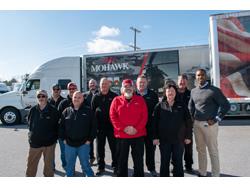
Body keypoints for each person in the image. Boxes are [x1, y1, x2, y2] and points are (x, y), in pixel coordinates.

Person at [189, 69, 230, 177]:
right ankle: (202, 172)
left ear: (206, 76)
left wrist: (216, 119)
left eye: (202, 75)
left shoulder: (214, 90)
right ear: (196, 77)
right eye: (198, 75)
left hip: (210, 125)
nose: (200, 77)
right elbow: (191, 105)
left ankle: (215, 174)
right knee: (200, 150)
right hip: (197, 124)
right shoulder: (193, 91)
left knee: (213, 150)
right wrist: (192, 117)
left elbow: (226, 105)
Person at [110, 79, 148, 177]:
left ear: (134, 88)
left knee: (138, 160)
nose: (128, 88)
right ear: (122, 89)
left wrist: (136, 129)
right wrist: (123, 128)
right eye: (125, 87)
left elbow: (144, 116)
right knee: (121, 160)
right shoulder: (116, 100)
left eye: (130, 86)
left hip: (138, 134)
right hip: (122, 135)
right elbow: (112, 116)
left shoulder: (140, 100)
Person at [153, 84, 192, 177]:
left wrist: (188, 136)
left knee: (178, 162)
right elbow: (154, 123)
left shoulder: (182, 105)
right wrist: (155, 137)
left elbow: (188, 122)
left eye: (172, 91)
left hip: (179, 140)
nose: (170, 93)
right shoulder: (159, 106)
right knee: (164, 162)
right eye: (168, 91)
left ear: (175, 93)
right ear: (165, 93)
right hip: (164, 140)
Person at [59, 91, 96, 177]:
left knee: (86, 165)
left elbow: (94, 127)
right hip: (69, 144)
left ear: (83, 99)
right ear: (72, 98)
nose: (76, 99)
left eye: (79, 97)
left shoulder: (88, 111)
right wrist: (63, 139)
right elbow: (61, 127)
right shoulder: (66, 111)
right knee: (69, 167)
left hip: (83, 144)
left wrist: (89, 140)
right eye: (75, 97)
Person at [26, 90, 60, 177]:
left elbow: (57, 126)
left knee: (49, 168)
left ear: (47, 97)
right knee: (31, 168)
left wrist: (53, 139)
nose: (41, 98)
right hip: (35, 144)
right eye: (39, 96)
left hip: (49, 145)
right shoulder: (33, 110)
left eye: (43, 96)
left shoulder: (53, 110)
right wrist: (31, 137)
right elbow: (30, 125)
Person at [91, 77, 118, 176]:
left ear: (109, 84)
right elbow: (92, 113)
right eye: (102, 84)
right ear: (100, 85)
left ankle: (116, 166)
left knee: (114, 148)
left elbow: (117, 112)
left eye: (106, 84)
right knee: (99, 149)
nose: (104, 86)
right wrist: (94, 127)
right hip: (100, 128)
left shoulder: (114, 96)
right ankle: (100, 166)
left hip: (112, 128)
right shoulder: (96, 97)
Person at [136, 74, 158, 177]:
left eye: (143, 82)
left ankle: (151, 168)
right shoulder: (133, 94)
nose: (142, 84)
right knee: (138, 151)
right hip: (137, 129)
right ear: (136, 84)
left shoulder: (153, 95)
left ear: (147, 83)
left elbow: (157, 112)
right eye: (140, 82)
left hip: (150, 128)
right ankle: (139, 170)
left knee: (150, 150)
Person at [57, 82, 78, 170]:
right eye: (70, 89)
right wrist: (61, 135)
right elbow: (58, 120)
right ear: (68, 90)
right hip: (64, 134)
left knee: (73, 153)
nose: (72, 90)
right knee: (64, 152)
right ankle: (66, 167)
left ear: (76, 89)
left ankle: (71, 167)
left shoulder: (81, 100)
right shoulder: (63, 103)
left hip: (76, 134)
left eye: (73, 88)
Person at [176, 74, 194, 173]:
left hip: (187, 125)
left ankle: (188, 166)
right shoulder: (173, 93)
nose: (182, 82)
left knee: (188, 147)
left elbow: (195, 107)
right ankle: (175, 165)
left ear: (186, 82)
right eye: (180, 81)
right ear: (177, 82)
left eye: (184, 80)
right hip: (175, 125)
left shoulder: (191, 93)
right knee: (175, 147)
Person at [48, 84, 65, 170]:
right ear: (52, 90)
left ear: (60, 90)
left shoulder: (64, 101)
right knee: (51, 151)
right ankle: (52, 166)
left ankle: (65, 165)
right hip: (51, 131)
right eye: (54, 89)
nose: (56, 91)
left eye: (58, 89)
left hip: (61, 130)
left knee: (64, 151)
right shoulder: (47, 101)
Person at [83, 79, 98, 165]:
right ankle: (91, 157)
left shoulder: (99, 94)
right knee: (90, 141)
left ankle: (100, 159)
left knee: (99, 143)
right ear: (88, 85)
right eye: (90, 83)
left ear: (96, 85)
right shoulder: (84, 95)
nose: (92, 85)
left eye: (93, 83)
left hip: (98, 121)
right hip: (88, 122)